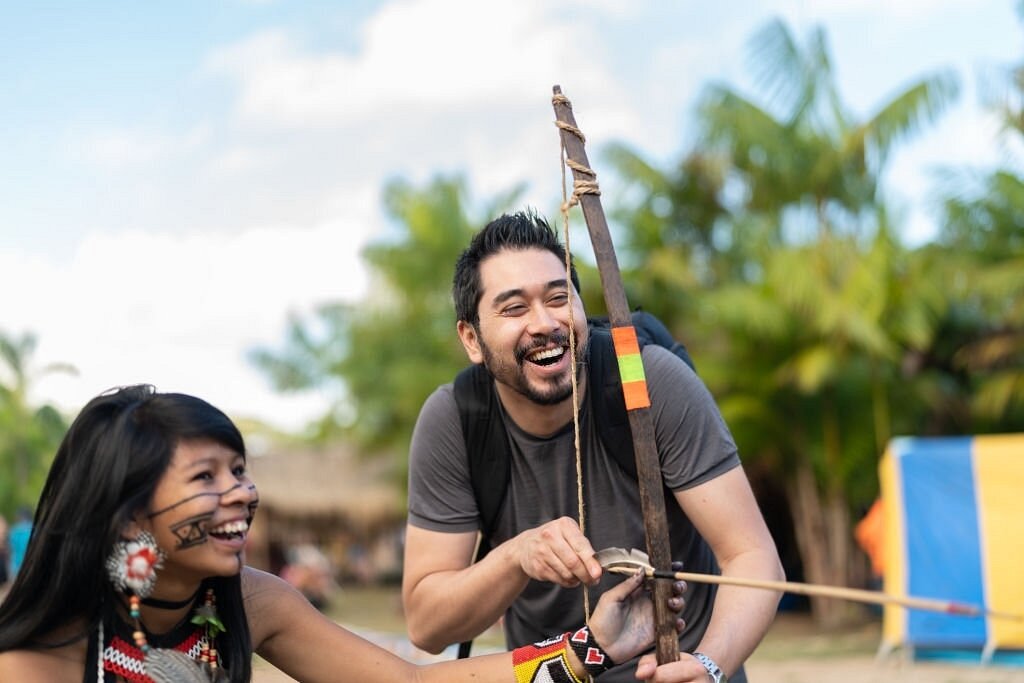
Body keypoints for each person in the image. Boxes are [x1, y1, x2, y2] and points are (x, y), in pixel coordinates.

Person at [0, 384, 670, 683]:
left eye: (238, 468)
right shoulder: (45, 647)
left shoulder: (253, 603)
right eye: (205, 477)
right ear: (127, 515)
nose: (241, 491)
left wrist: (590, 645)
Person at [403, 210, 785, 682]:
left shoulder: (651, 381)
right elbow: (426, 625)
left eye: (559, 298)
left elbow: (753, 558)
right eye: (514, 308)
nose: (545, 323)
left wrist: (709, 666)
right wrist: (517, 555)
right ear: (471, 339)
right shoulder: (455, 422)